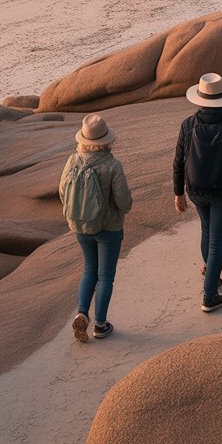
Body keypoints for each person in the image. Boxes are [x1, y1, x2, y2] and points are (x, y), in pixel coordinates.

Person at [173, 72, 222, 312]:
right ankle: (209, 296)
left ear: (199, 98)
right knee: (217, 242)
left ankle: (212, 274)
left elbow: (178, 161)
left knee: (207, 231)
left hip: (196, 190)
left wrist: (179, 193)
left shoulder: (187, 124)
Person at [59, 114, 133, 342]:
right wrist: (123, 210)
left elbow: (62, 191)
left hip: (81, 226)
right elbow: (124, 202)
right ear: (106, 140)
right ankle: (100, 325)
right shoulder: (112, 165)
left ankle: (82, 312)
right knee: (105, 276)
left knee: (89, 269)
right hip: (109, 228)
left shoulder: (72, 160)